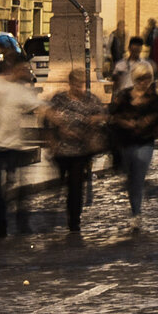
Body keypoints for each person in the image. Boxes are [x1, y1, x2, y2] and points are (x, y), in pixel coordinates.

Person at [0, 55, 41, 240]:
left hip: (13, 145)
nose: (25, 72)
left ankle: (21, 220)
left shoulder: (21, 90)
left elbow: (38, 105)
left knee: (18, 186)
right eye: (23, 68)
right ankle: (0, 226)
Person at [42, 67, 108, 243]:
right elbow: (47, 116)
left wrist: (96, 120)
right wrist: (57, 132)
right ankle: (59, 211)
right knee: (63, 182)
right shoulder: (60, 99)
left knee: (76, 185)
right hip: (62, 150)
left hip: (81, 150)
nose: (80, 88)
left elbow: (104, 116)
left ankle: (74, 220)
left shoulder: (90, 100)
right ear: (70, 83)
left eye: (82, 84)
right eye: (77, 84)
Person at [106, 64, 158, 231]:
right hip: (125, 141)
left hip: (145, 141)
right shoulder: (124, 96)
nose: (144, 82)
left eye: (147, 79)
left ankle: (136, 214)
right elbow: (113, 115)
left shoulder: (154, 98)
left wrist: (150, 123)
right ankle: (134, 208)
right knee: (130, 177)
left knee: (138, 176)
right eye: (140, 79)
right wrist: (126, 122)